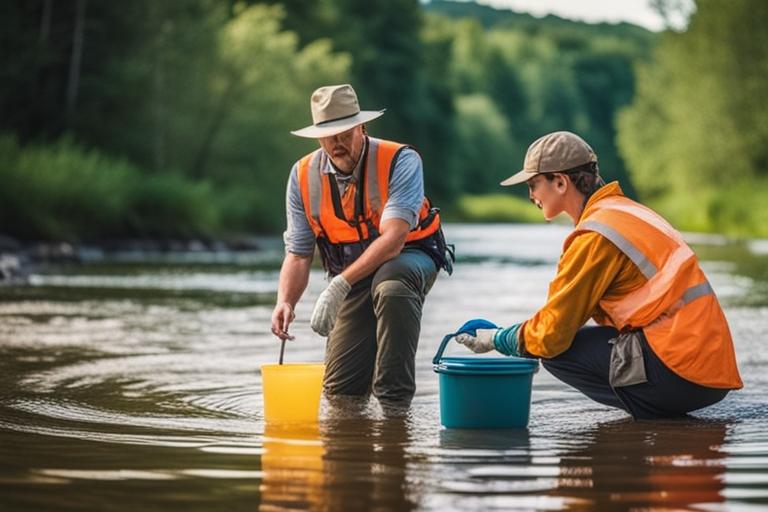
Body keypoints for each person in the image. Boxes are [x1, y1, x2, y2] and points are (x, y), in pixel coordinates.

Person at [454, 131, 742, 419]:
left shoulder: (596, 235)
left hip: (681, 369)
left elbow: (551, 335)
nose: (531, 196)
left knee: (557, 354)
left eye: (533, 184)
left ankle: (652, 420)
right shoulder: (626, 211)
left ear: (560, 181)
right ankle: (660, 420)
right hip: (709, 366)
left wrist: (498, 339)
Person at [271, 84, 453, 407]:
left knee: (391, 286)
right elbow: (299, 253)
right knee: (341, 395)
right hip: (352, 276)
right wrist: (285, 302)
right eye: (328, 135)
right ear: (317, 137)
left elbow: (395, 238)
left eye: (344, 132)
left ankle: (394, 407)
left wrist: (339, 283)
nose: (337, 142)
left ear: (362, 128)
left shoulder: (401, 160)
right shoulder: (300, 177)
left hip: (410, 256)